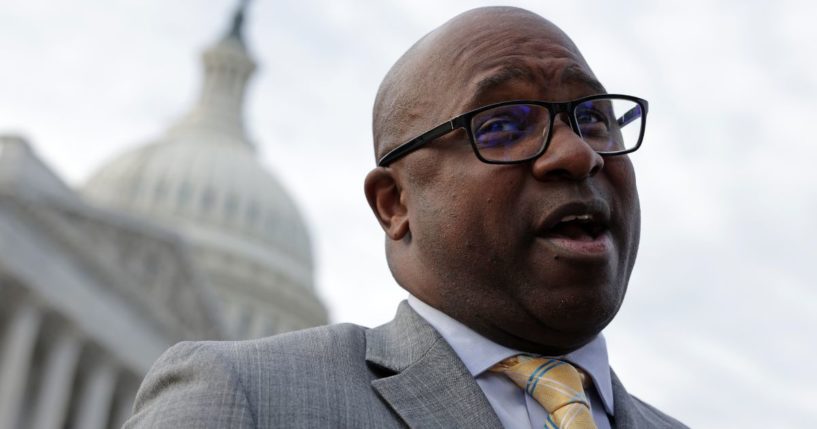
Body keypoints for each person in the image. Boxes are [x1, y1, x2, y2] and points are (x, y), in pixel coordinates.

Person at [125, 6, 686, 428]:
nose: (577, 153)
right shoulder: (247, 400)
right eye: (503, 126)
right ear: (395, 205)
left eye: (593, 118)